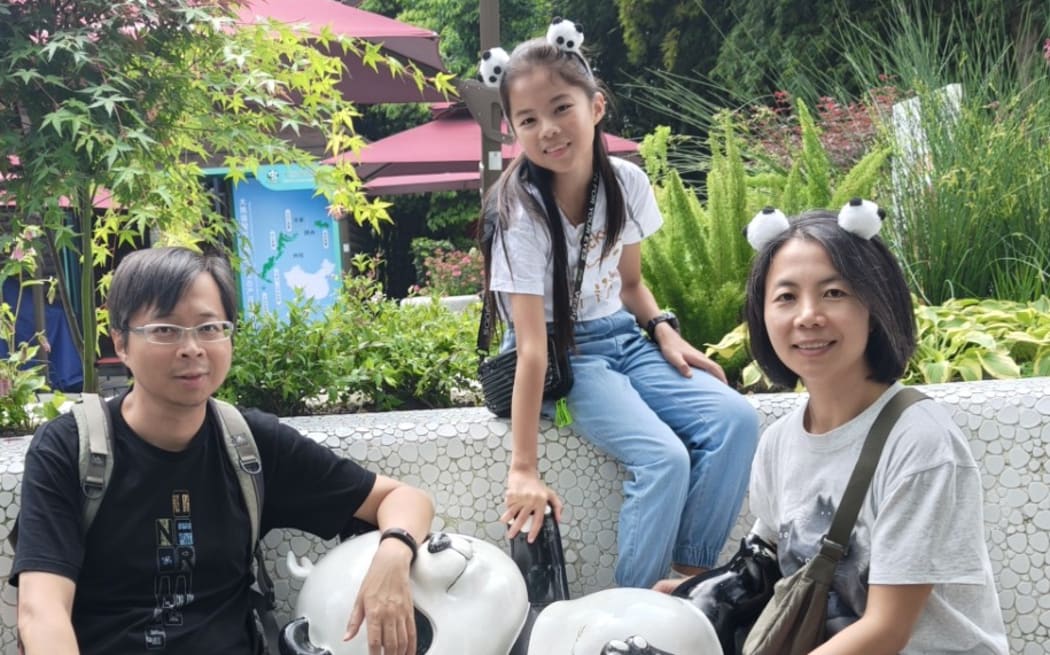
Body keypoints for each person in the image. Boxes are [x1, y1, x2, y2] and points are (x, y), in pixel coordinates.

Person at [11, 246, 434, 655]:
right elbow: (42, 611)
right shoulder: (70, 449)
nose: (192, 347)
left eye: (210, 328)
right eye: (165, 329)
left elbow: (404, 499)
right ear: (121, 343)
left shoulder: (249, 444)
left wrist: (393, 554)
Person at [480, 21, 759, 589]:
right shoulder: (519, 215)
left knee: (737, 420)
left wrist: (662, 328)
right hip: (565, 356)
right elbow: (532, 349)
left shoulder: (627, 183)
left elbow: (630, 285)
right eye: (528, 120)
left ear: (597, 105)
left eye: (562, 108)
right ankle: (630, 613)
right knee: (663, 460)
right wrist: (523, 468)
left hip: (626, 341)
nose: (548, 130)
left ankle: (686, 580)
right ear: (513, 131)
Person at [733, 204, 1008, 652]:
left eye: (834, 293)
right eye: (785, 296)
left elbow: (886, 630)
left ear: (876, 305)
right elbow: (761, 565)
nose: (808, 316)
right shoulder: (779, 442)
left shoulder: (919, 441)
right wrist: (688, 598)